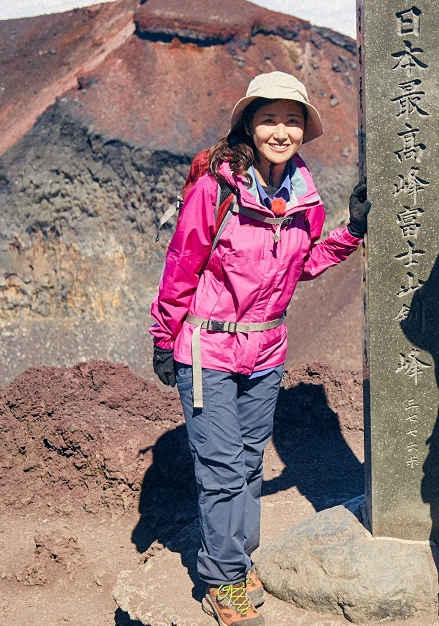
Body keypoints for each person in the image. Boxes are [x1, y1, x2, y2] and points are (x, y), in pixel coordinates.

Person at [150, 71, 370, 626]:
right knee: (222, 467)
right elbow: (181, 268)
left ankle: (237, 559)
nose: (281, 130)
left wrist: (352, 231)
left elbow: (306, 264)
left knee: (248, 462)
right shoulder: (216, 191)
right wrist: (164, 337)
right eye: (270, 118)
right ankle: (223, 577)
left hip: (266, 350)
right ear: (249, 124)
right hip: (207, 349)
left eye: (292, 120)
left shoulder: (304, 197)